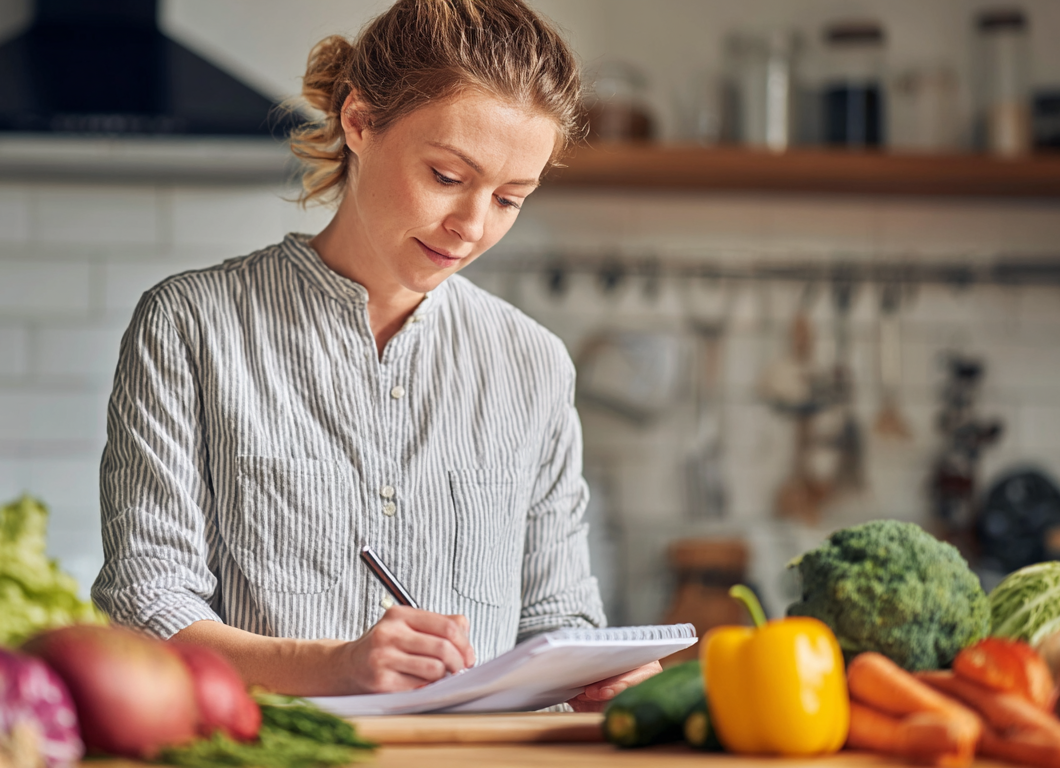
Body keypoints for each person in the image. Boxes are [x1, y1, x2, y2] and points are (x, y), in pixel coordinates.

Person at [92, 0, 659, 711]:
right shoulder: (192, 326)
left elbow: (559, 616)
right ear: (359, 122)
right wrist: (339, 666)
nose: (472, 227)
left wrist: (596, 673)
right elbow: (147, 611)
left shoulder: (533, 363)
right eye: (448, 177)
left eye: (511, 198)